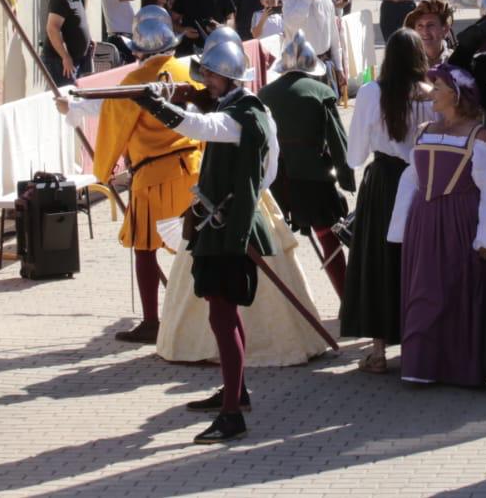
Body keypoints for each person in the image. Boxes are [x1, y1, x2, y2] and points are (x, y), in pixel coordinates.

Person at [129, 35, 279, 444]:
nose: (205, 80)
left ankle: (232, 414)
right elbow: (268, 171)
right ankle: (237, 391)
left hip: (227, 229)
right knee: (223, 315)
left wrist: (154, 103)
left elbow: (198, 126)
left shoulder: (238, 119)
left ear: (225, 76)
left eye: (210, 75)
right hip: (227, 222)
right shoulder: (253, 109)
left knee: (222, 317)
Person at [60, 6, 199, 343]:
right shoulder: (186, 70)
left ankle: (153, 321)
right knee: (196, 245)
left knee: (145, 247)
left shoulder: (134, 82)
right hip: (192, 169)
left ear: (137, 49)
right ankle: (197, 319)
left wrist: (103, 170)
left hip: (152, 175)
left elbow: (113, 124)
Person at [387, 64, 486, 386]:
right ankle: (420, 365)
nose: (432, 93)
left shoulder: (477, 135)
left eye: (437, 87)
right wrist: (400, 227)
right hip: (424, 222)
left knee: (454, 292)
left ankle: (455, 368)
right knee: (422, 293)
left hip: (459, 220)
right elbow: (411, 179)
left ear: (456, 94)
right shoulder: (425, 130)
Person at [342, 29, 433, 373]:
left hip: (385, 183)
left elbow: (356, 153)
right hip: (425, 182)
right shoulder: (433, 94)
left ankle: (378, 351)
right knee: (418, 262)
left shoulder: (371, 92)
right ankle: (416, 343)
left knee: (379, 261)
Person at [258, 33, 353, 297]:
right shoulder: (321, 92)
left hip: (277, 182)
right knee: (329, 240)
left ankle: (286, 306)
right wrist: (346, 178)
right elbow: (338, 141)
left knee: (278, 244)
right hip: (315, 180)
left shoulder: (263, 94)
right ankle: (346, 299)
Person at [282, 0, 346, 91]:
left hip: (324, 64)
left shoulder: (327, 1)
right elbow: (291, 24)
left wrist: (339, 68)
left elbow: (334, 38)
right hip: (300, 66)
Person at [43, 0, 94, 86]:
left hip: (78, 60)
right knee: (67, 99)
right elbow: (52, 28)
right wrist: (65, 57)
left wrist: (88, 41)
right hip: (60, 62)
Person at [404, 0, 454, 66]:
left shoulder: (455, 61)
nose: (425, 31)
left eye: (431, 25)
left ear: (445, 30)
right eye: (420, 26)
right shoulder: (404, 62)